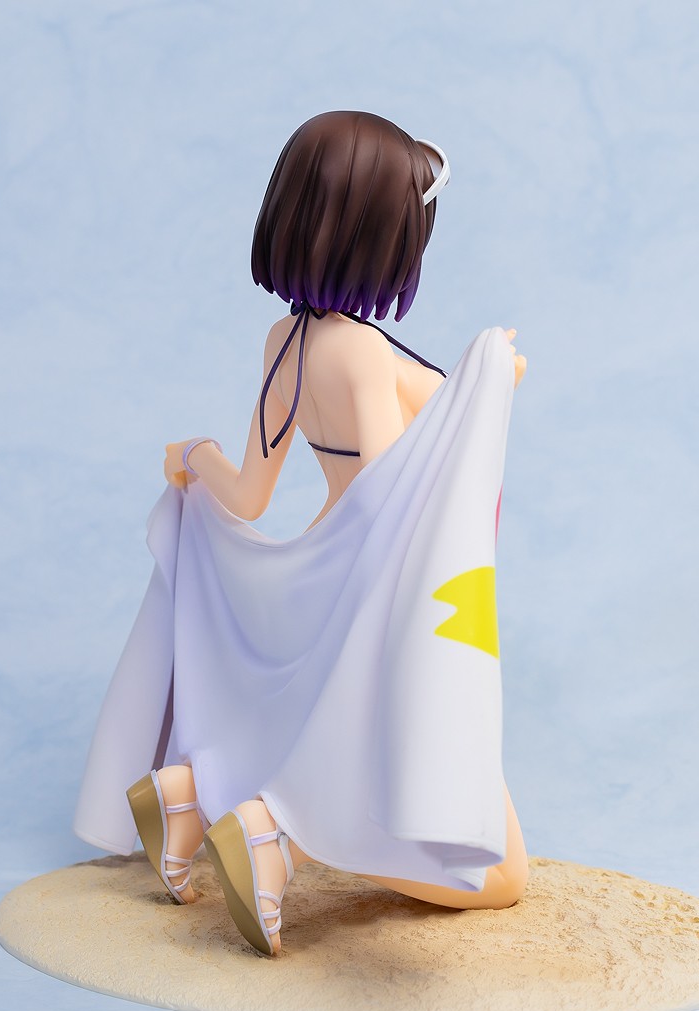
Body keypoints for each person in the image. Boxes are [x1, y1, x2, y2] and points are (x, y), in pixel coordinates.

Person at [75, 111, 529, 957]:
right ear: (380, 239)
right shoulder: (361, 354)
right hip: (368, 595)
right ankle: (278, 837)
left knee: (320, 741)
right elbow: (389, 495)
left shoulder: (284, 341)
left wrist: (195, 457)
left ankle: (187, 797)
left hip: (315, 579)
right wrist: (487, 382)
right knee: (502, 874)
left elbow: (249, 497)